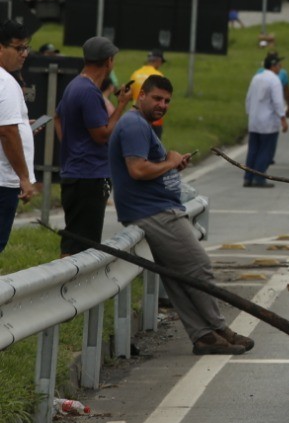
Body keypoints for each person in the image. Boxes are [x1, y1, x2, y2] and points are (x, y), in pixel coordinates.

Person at [109, 75, 255, 355]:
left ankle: (204, 337)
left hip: (154, 207)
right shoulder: (134, 125)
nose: (162, 105)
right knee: (199, 267)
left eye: (167, 101)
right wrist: (169, 162)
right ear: (141, 96)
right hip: (153, 212)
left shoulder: (140, 125)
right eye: (157, 98)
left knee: (178, 277)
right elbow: (137, 170)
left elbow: (149, 169)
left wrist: (172, 165)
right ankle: (219, 327)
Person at [55, 36, 132, 256]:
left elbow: (57, 117)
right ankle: (71, 288)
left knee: (74, 239)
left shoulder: (74, 85)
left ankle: (66, 286)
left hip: (75, 172)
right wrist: (122, 105)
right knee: (83, 245)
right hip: (89, 177)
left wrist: (71, 148)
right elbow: (102, 134)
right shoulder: (89, 92)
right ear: (108, 61)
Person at [0, 20, 37, 252]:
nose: (24, 54)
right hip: (3, 181)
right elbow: (6, 132)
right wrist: (24, 177)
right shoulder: (5, 82)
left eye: (26, 48)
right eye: (19, 48)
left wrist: (23, 125)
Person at [244, 53, 289, 187]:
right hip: (268, 122)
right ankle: (260, 177)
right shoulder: (274, 80)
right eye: (279, 65)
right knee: (266, 150)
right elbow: (277, 102)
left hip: (254, 121)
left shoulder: (256, 78)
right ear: (274, 66)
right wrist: (283, 118)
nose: (280, 67)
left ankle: (248, 177)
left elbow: (248, 98)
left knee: (253, 149)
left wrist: (250, 113)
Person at [129, 50, 167, 139]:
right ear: (158, 61)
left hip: (136, 116)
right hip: (154, 119)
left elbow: (130, 96)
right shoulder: (159, 75)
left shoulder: (135, 74)